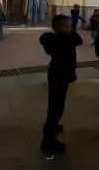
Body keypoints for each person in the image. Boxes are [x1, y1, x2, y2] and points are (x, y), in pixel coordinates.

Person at [39, 14, 83, 153]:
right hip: (61, 76)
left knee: (54, 104)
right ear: (64, 28)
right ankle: (48, 142)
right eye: (69, 26)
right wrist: (69, 31)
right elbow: (79, 39)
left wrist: (61, 29)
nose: (72, 28)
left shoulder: (54, 38)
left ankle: (50, 126)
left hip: (55, 74)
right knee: (57, 107)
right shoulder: (68, 39)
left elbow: (46, 38)